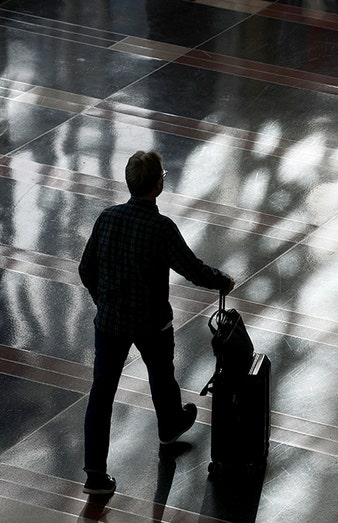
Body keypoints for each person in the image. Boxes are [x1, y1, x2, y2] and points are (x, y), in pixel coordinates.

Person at [78, 150, 235, 495]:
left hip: (110, 323)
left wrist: (103, 300)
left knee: (101, 394)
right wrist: (222, 281)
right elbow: (191, 268)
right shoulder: (160, 227)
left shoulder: (107, 217)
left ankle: (94, 474)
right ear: (158, 186)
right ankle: (169, 424)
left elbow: (85, 269)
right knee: (161, 374)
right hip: (152, 322)